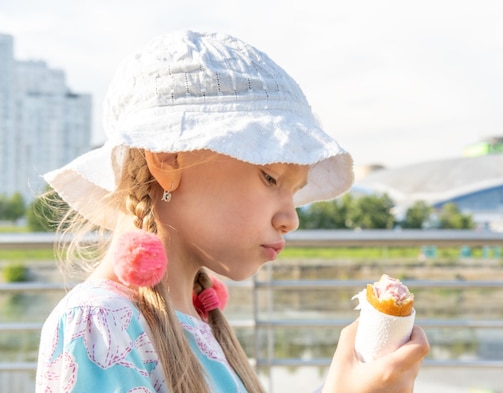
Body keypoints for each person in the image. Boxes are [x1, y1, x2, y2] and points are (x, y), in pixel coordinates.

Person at [35, 30, 429, 393]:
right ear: (168, 160)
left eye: (295, 192)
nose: (291, 219)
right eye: (270, 178)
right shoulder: (98, 326)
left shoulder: (194, 318)